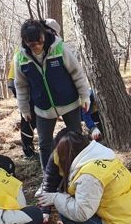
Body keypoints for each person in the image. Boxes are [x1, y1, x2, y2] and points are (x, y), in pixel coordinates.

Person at [13, 19, 90, 173]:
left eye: (40, 42)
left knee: (76, 137)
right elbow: (21, 85)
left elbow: (77, 73)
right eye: (32, 44)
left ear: (43, 35)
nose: (37, 47)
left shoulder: (59, 48)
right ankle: (48, 176)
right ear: (25, 42)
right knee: (44, 144)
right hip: (42, 107)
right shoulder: (20, 57)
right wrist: (24, 109)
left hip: (69, 102)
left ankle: (80, 171)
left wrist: (84, 95)